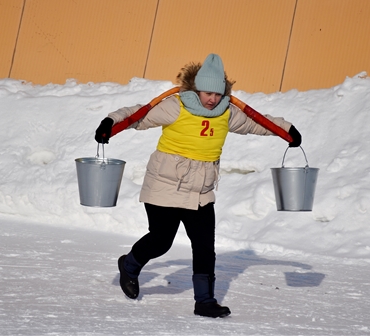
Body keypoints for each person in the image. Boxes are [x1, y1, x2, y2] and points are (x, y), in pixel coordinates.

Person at [95, 54, 301, 318]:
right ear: (196, 88)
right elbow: (138, 115)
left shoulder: (226, 113)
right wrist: (110, 124)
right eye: (207, 92)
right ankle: (130, 265)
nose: (212, 99)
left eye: (218, 93)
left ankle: (204, 301)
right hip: (164, 186)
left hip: (201, 192)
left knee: (204, 246)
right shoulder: (175, 106)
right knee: (161, 240)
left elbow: (257, 123)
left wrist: (287, 131)